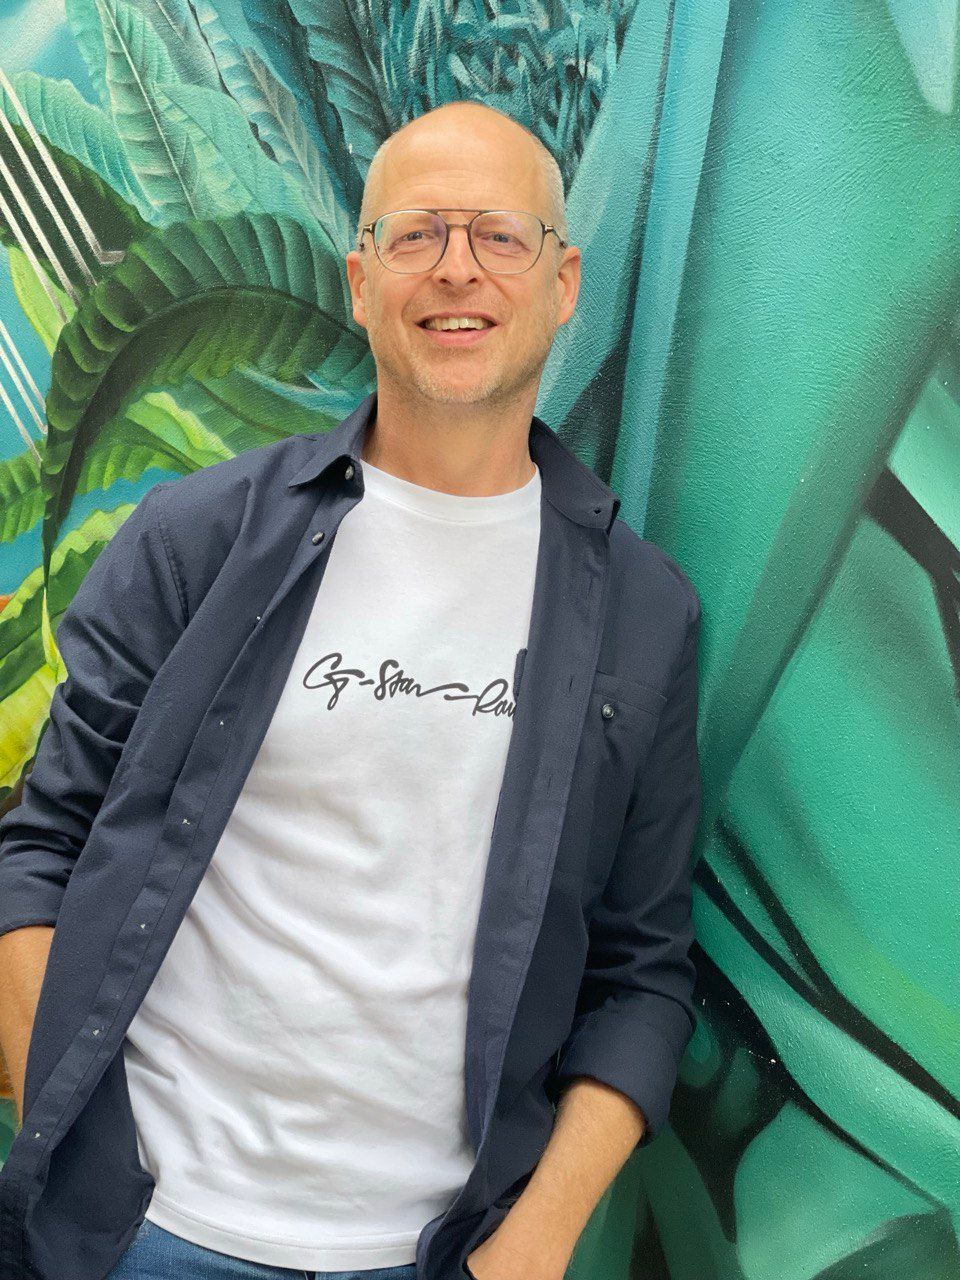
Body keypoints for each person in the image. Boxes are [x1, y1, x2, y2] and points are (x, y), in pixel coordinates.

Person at [0, 100, 702, 1280]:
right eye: (418, 235)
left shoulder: (642, 610)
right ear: (363, 278)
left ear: (565, 278)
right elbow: (43, 841)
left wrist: (530, 1245)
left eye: (498, 235)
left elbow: (643, 971)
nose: (456, 271)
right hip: (145, 1230)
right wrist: (57, 1109)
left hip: (434, 1253)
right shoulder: (200, 539)